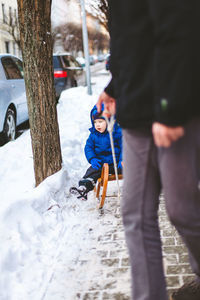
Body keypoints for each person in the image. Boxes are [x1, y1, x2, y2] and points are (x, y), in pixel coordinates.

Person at [97, 1, 200, 300]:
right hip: (135, 113)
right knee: (135, 216)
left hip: (174, 110)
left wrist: (171, 108)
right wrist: (115, 87)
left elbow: (182, 30)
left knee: (182, 209)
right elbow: (134, 40)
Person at [70, 104, 122, 200]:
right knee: (92, 171)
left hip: (116, 163)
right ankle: (84, 188)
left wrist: (123, 160)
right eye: (95, 122)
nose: (97, 125)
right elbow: (88, 147)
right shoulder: (93, 135)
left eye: (101, 121)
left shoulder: (116, 133)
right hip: (101, 164)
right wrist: (93, 158)